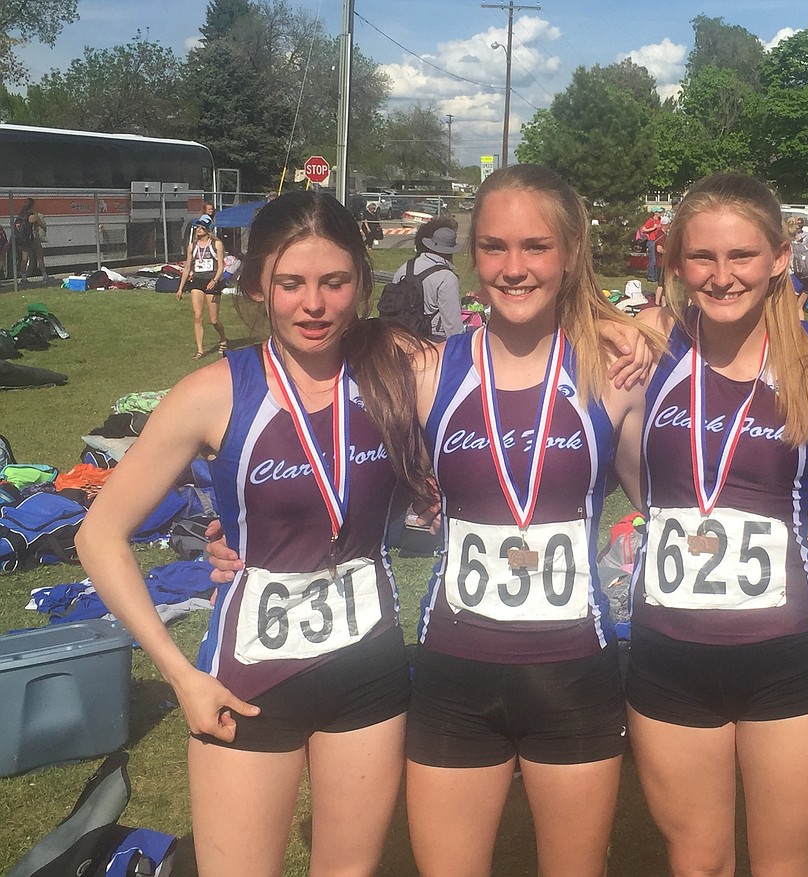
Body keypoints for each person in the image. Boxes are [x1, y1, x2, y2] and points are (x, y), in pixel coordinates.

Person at [76, 190, 431, 877]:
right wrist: (179, 675)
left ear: (361, 281)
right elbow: (99, 535)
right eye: (291, 283)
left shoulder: (399, 364)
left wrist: (624, 328)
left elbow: (513, 359)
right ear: (258, 287)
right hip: (244, 678)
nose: (315, 304)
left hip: (368, 668)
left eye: (335, 282)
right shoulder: (215, 391)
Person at [404, 164, 659, 877]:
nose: (513, 269)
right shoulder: (429, 371)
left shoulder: (615, 370)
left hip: (573, 674)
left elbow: (672, 499)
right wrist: (241, 542)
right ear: (472, 255)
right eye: (494, 247)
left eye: (535, 247)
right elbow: (351, 480)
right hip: (454, 669)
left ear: (571, 253)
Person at [625, 172, 808, 876]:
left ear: (780, 256)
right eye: (702, 257)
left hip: (788, 653)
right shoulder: (648, 346)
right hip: (668, 648)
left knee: (785, 866)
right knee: (697, 863)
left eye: (742, 256)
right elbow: (615, 465)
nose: (722, 276)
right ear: (674, 262)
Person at [389, 217, 463, 341]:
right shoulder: (447, 277)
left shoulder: (406, 267)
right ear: (450, 251)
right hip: (431, 340)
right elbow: (452, 324)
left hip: (400, 335)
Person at [176, 214, 228, 359]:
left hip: (212, 281)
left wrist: (215, 280)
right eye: (197, 226)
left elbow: (221, 265)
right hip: (197, 281)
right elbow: (187, 267)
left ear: (208, 229)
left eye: (202, 227)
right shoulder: (192, 246)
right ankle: (200, 350)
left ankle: (223, 338)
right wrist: (180, 287)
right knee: (197, 316)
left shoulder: (216, 244)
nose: (199, 229)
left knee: (214, 320)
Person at [15, 198, 50, 284]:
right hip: (33, 238)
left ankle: (23, 277)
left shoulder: (20, 216)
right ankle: (44, 275)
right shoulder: (34, 216)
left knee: (24, 258)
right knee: (40, 257)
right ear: (32, 206)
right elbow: (43, 226)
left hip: (24, 239)